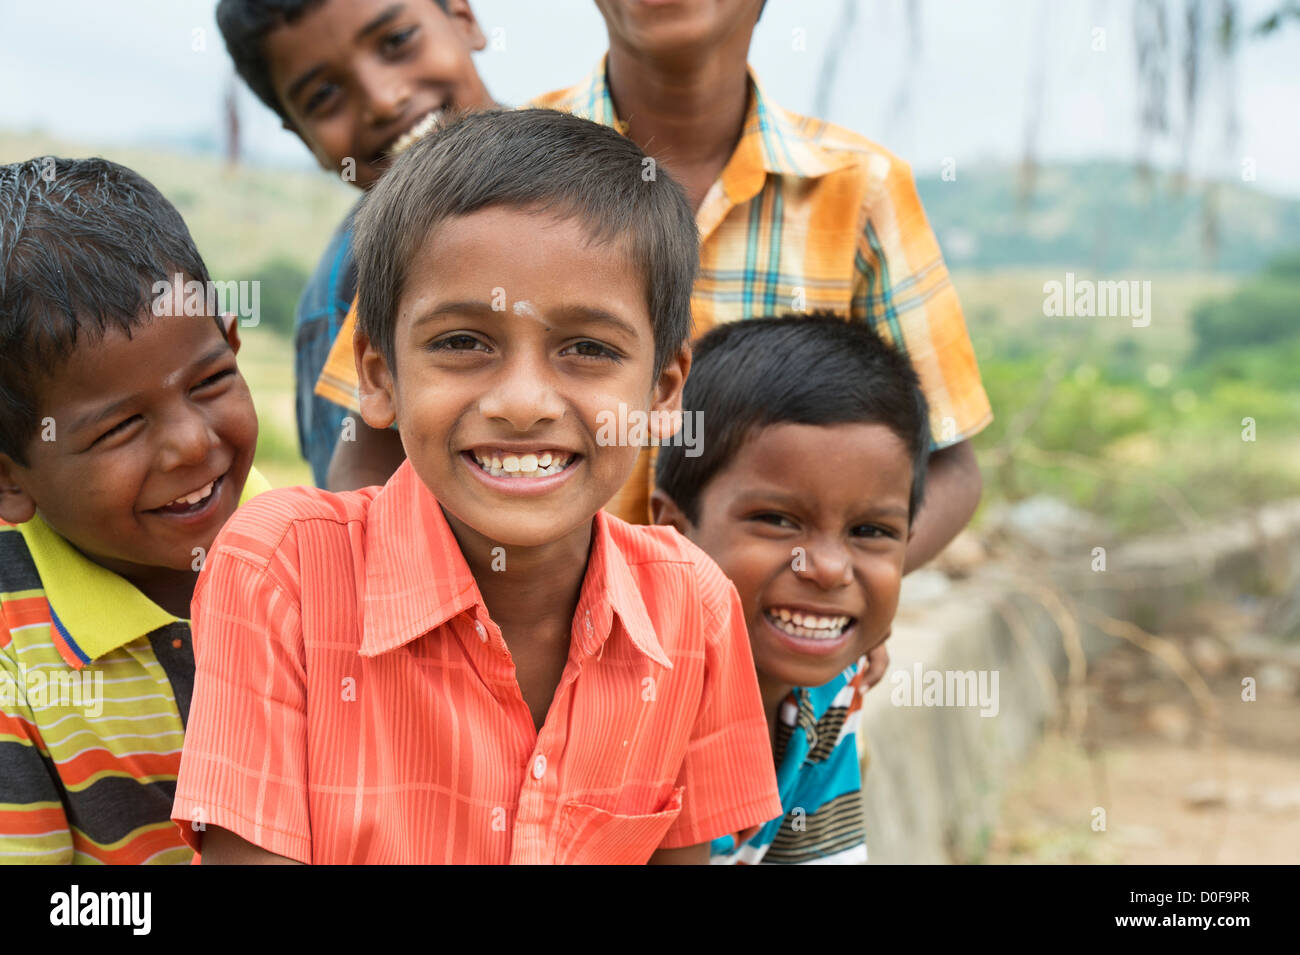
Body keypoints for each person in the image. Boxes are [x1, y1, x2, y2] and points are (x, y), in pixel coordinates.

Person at [170, 109, 783, 864]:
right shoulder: (282, 574)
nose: (522, 402)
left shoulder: (694, 607)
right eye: (463, 343)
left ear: (661, 393)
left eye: (588, 348)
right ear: (377, 375)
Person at [314, 0, 989, 578]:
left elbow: (948, 462)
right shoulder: (481, 177)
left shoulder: (859, 189)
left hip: (763, 694)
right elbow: (368, 437)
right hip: (514, 672)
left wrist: (829, 595)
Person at [0, 157, 268, 864]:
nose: (190, 443)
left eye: (210, 380)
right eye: (120, 427)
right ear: (8, 477)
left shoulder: (330, 550)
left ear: (233, 342)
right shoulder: (13, 659)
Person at [653, 314, 930, 864]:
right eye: (778, 520)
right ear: (673, 531)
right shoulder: (633, 694)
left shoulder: (828, 693)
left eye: (870, 532)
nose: (828, 568)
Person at [216, 0, 496, 485]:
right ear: (302, 137)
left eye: (396, 41)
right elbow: (361, 530)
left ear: (462, 16)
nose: (384, 100)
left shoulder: (606, 172)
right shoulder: (340, 306)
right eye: (324, 94)